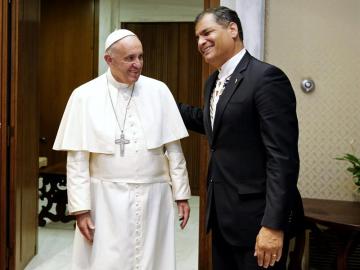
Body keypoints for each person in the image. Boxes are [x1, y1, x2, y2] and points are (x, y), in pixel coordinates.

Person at [53, 29, 191, 270]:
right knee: (106, 260)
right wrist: (81, 209)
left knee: (153, 259)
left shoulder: (159, 91)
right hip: (104, 199)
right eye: (129, 58)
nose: (137, 64)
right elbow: (76, 160)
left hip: (154, 197)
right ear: (109, 60)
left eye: (140, 57)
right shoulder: (84, 96)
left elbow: (174, 149)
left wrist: (181, 193)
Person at [178, 6, 304, 270]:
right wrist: (162, 101)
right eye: (197, 38)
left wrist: (272, 225)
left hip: (257, 222)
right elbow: (214, 123)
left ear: (232, 29)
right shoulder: (213, 82)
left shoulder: (266, 78)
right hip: (222, 217)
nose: (200, 42)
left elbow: (282, 158)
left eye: (206, 33)